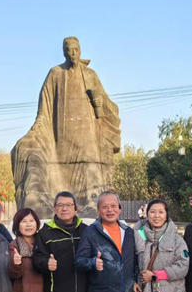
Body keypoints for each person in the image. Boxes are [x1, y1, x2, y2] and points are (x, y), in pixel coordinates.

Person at [11, 36, 121, 217]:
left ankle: (91, 204)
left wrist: (100, 103)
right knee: (60, 169)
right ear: (64, 52)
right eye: (69, 50)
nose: (73, 53)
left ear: (81, 50)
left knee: (89, 166)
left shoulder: (90, 74)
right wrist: (39, 124)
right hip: (62, 134)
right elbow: (45, 104)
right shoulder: (55, 73)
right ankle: (60, 206)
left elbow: (105, 102)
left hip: (87, 132)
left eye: (76, 49)